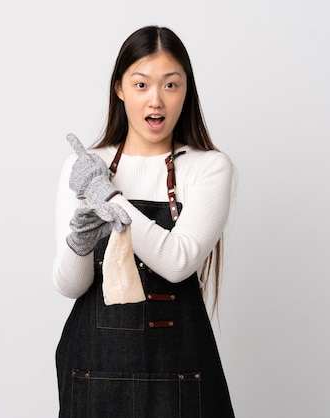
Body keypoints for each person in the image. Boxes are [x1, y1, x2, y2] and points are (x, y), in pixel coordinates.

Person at [52, 25, 236, 417]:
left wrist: (109, 197)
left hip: (180, 380)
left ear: (187, 90)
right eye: (141, 85)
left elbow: (177, 262)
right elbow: (71, 286)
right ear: (119, 88)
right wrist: (79, 241)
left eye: (171, 85)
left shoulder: (209, 168)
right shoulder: (84, 166)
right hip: (93, 377)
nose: (156, 100)